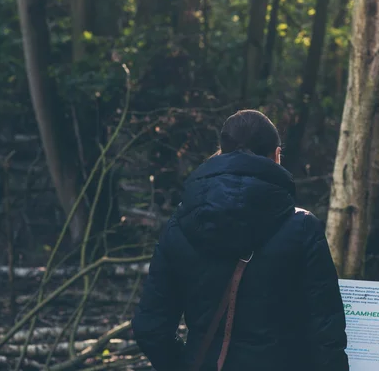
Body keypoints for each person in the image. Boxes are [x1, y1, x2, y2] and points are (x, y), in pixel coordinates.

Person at [131, 110, 348, 371]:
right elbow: (326, 334)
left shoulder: (180, 225)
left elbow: (150, 327)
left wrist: (185, 364)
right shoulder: (302, 228)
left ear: (222, 152)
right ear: (277, 155)